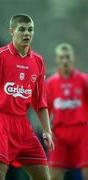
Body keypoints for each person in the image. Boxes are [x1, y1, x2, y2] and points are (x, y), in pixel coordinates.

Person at [0, 14, 54, 180]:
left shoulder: (38, 61)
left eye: (30, 29)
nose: (27, 33)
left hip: (22, 124)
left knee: (43, 176)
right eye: (22, 29)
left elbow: (40, 103)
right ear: (12, 32)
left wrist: (47, 130)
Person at [46, 43, 88, 180]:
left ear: (73, 58)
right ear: (57, 59)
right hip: (59, 133)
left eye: (67, 57)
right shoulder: (51, 83)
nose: (65, 60)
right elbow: (46, 109)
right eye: (61, 57)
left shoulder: (84, 80)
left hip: (81, 131)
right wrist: (46, 130)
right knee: (54, 174)